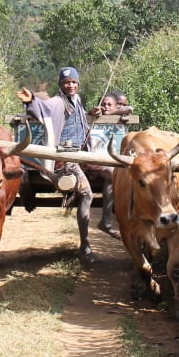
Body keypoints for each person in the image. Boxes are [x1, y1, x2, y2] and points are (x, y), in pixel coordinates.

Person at [16, 66, 119, 262]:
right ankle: (85, 246)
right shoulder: (57, 102)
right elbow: (43, 108)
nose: (70, 85)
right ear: (61, 86)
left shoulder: (76, 100)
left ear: (78, 84)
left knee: (111, 172)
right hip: (66, 157)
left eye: (73, 82)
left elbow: (78, 120)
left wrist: (91, 112)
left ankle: (106, 221)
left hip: (83, 154)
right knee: (86, 193)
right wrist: (31, 100)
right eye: (66, 82)